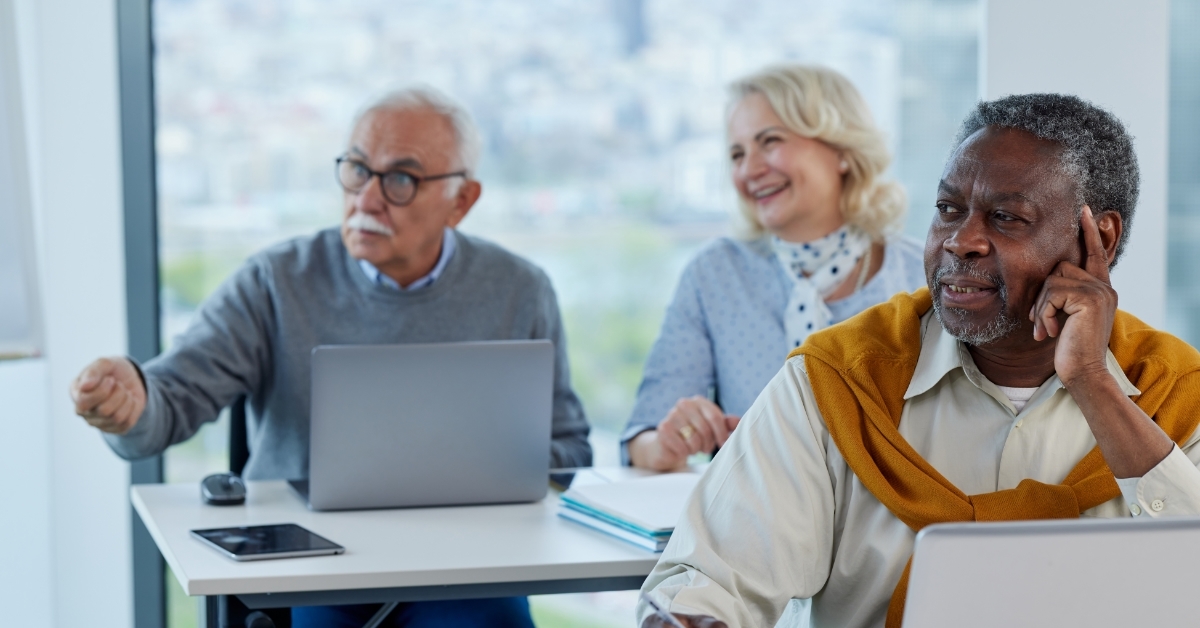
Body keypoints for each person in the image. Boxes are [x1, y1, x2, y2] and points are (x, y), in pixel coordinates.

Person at [639, 93, 1200, 628]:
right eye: (948, 210)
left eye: (1006, 218)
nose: (962, 241)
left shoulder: (1177, 392)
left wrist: (1094, 381)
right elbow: (711, 577)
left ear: (1096, 237)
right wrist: (688, 616)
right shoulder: (836, 380)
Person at [69, 87, 591, 628]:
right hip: (312, 562)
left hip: (469, 568)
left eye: (400, 180)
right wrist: (131, 405)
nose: (366, 199)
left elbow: (569, 447)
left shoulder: (519, 289)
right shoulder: (275, 280)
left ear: (461, 201)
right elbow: (170, 399)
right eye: (357, 170)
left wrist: (517, 475)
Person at [622, 64, 925, 471]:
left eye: (770, 142)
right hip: (754, 525)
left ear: (841, 151)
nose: (749, 170)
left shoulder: (924, 276)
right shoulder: (715, 274)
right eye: (737, 154)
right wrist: (667, 443)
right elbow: (641, 435)